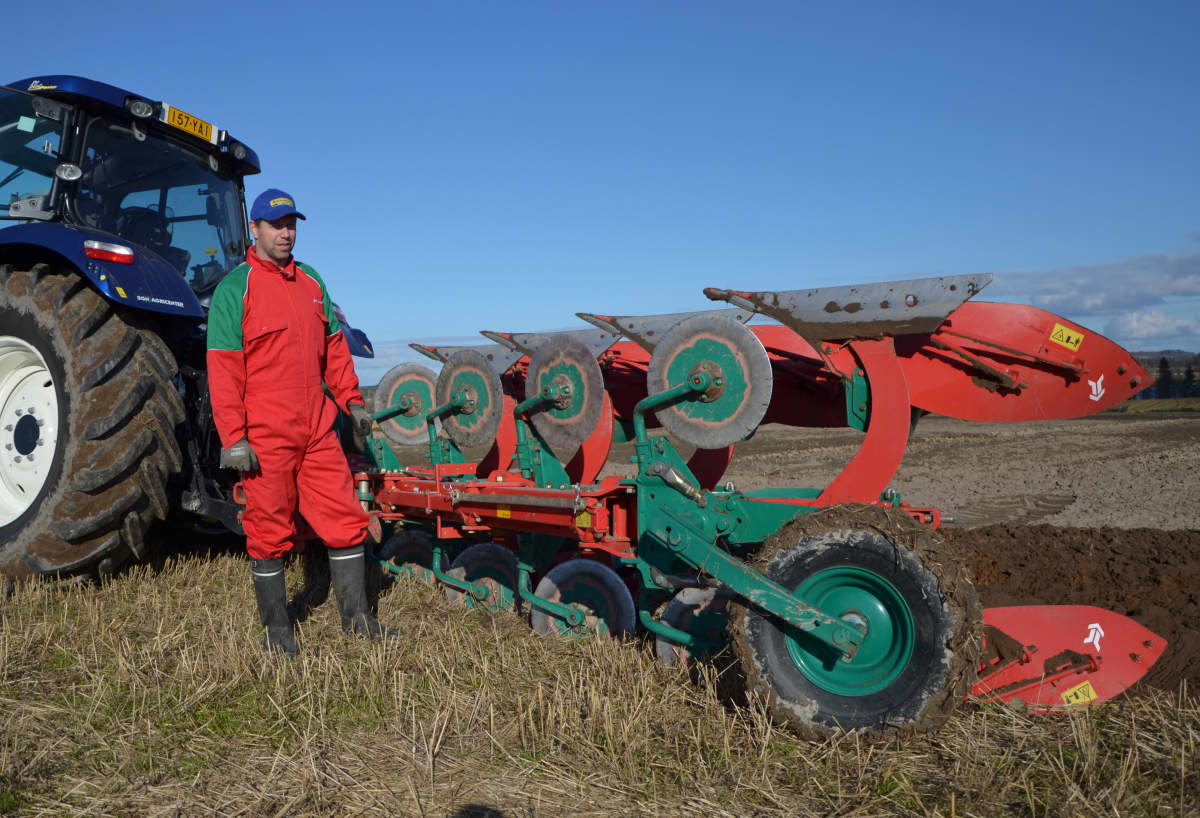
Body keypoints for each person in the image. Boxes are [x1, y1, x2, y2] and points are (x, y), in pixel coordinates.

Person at [206, 188, 395, 655]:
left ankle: (358, 620)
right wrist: (234, 438)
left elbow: (333, 350)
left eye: (292, 224)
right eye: (276, 225)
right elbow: (224, 370)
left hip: (316, 427)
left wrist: (352, 403)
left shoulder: (312, 283)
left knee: (345, 517)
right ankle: (278, 633)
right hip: (266, 433)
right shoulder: (237, 288)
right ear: (255, 229)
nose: (286, 233)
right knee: (269, 529)